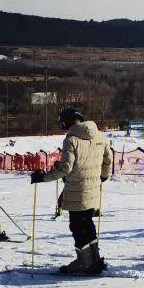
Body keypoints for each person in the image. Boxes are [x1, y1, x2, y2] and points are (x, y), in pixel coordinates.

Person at [31, 108, 113, 274]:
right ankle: (93, 259)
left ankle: (85, 263)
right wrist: (103, 176)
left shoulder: (71, 140)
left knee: (77, 226)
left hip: (77, 190)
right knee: (88, 223)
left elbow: (66, 168)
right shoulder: (99, 136)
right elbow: (108, 159)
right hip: (93, 189)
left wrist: (43, 178)